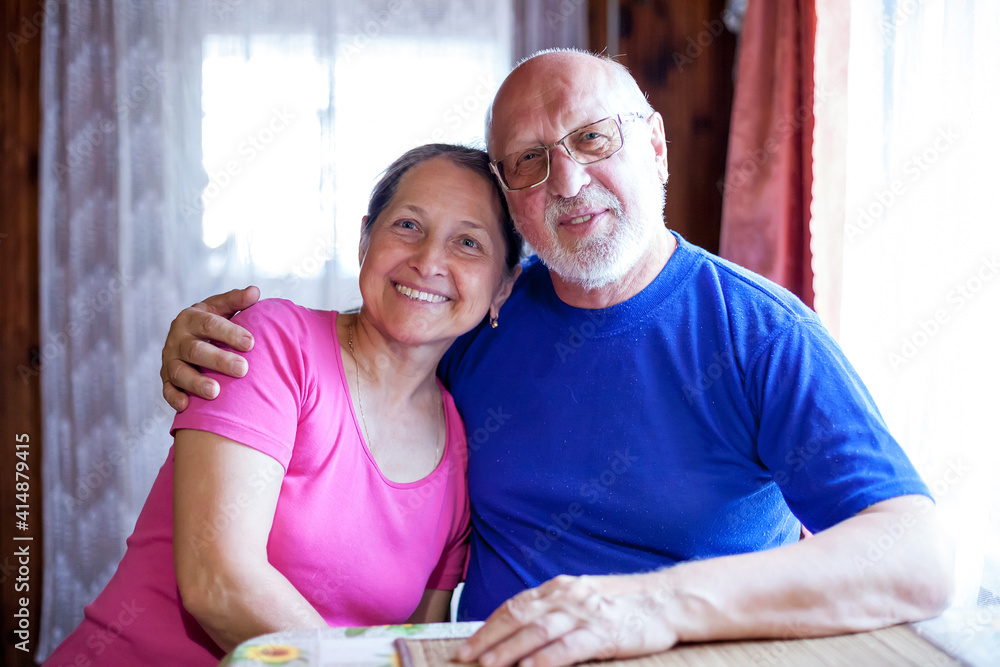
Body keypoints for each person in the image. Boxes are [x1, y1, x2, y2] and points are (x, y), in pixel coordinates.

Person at [159, 50, 953, 667]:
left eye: (593, 138)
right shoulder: (485, 311)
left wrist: (655, 605)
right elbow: (353, 351)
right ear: (510, 198)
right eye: (530, 161)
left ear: (655, 146)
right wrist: (219, 338)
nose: (568, 180)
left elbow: (917, 556)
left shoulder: (761, 335)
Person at [44, 144, 522, 666]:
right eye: (408, 226)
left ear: (502, 287)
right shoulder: (272, 343)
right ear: (365, 239)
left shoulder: (457, 452)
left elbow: (412, 648)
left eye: (468, 242)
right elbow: (218, 582)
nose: (429, 260)